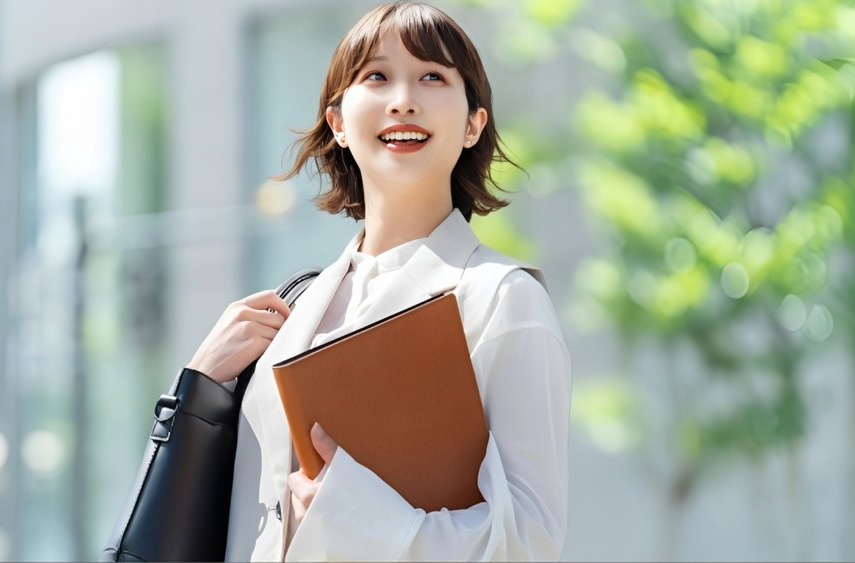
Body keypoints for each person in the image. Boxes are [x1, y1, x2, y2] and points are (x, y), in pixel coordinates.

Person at [186, 2, 572, 560]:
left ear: (472, 124)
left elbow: (530, 543)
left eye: (433, 76)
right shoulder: (292, 315)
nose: (403, 100)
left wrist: (350, 510)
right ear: (338, 121)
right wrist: (201, 385)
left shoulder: (501, 299)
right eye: (377, 76)